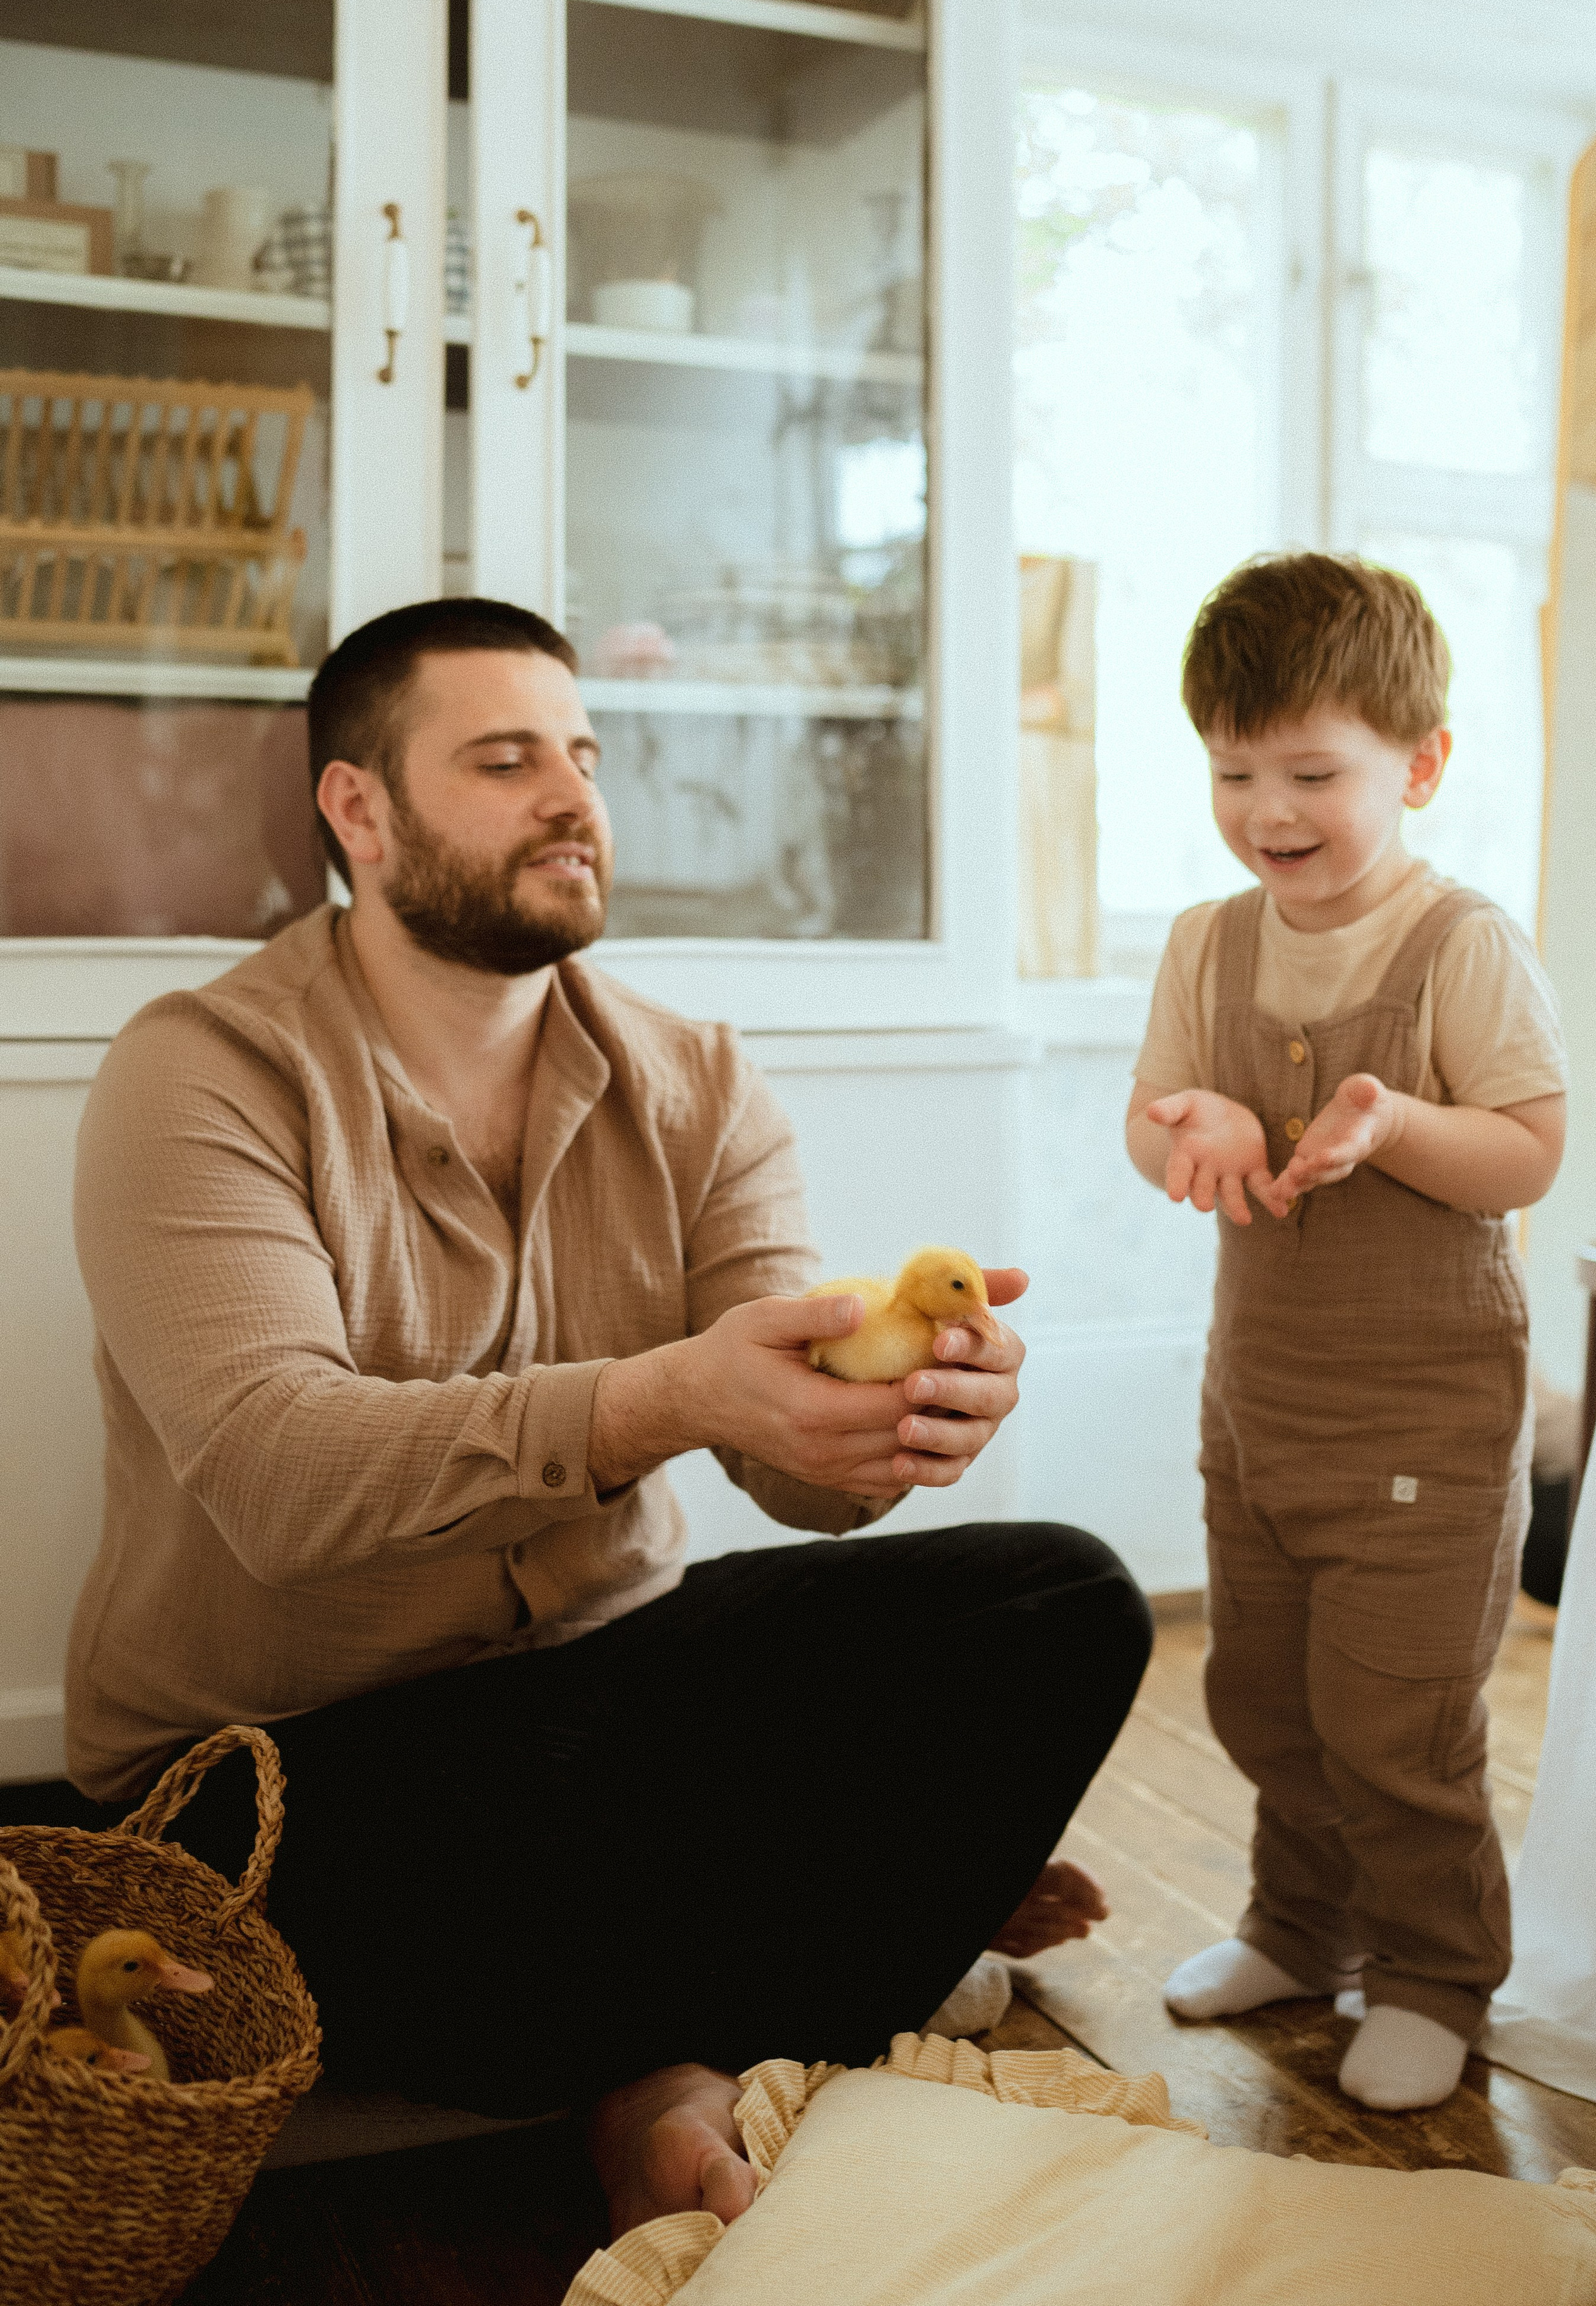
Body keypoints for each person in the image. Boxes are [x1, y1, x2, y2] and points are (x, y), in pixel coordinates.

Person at [68, 597, 1151, 2231]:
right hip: (284, 1755)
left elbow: (794, 1477)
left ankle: (683, 2028)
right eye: (506, 761)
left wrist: (890, 1424)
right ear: (357, 810)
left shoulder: (697, 1076)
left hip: (599, 1675)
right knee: (517, 1878)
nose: (575, 798)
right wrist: (668, 1395)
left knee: (1057, 1600)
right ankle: (773, 1993)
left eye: (582, 755)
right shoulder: (200, 1073)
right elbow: (281, 1483)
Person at [1125, 554, 1567, 2112]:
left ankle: (1434, 1974)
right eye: (1232, 771)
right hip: (1259, 1407)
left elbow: (1525, 1151)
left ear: (1419, 764)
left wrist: (1394, 1130)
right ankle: (1296, 1930)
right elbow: (1148, 1119)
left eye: (1311, 771)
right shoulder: (1204, 942)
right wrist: (1193, 1119)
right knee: (1261, 1693)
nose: (1267, 809)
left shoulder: (1459, 946)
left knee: (1395, 1725)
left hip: (1421, 1422)